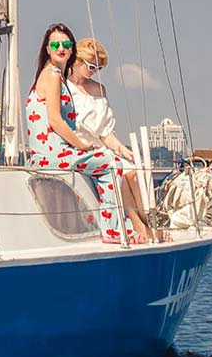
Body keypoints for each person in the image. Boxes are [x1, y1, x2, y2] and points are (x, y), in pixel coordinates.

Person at [24, 23, 139, 243]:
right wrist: (81, 145)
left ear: (72, 49)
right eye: (55, 45)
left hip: (48, 154)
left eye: (66, 44)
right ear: (47, 49)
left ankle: (117, 225)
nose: (61, 48)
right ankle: (113, 230)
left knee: (106, 161)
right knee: (111, 164)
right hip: (51, 155)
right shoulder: (52, 75)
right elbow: (55, 120)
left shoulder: (53, 75)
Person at [69, 38, 162, 242]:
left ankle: (150, 223)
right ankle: (138, 226)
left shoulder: (99, 89)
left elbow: (105, 132)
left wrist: (123, 149)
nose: (94, 71)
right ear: (77, 60)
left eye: (99, 68)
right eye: (91, 66)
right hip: (82, 148)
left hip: (103, 146)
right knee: (117, 172)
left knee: (136, 174)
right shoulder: (64, 89)